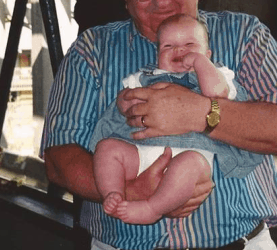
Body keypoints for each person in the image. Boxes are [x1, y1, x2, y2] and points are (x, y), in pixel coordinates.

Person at [41, 0, 277, 250]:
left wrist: (199, 113)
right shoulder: (92, 51)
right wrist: (129, 190)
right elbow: (58, 159)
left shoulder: (244, 36)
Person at [91, 13, 264, 225]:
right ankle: (113, 193)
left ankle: (152, 208)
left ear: (208, 54)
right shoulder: (145, 77)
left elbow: (217, 93)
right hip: (142, 152)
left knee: (188, 166)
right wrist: (125, 102)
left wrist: (201, 64)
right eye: (168, 46)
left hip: (191, 156)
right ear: (157, 55)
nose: (179, 50)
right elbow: (124, 101)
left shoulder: (217, 73)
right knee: (107, 148)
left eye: (190, 44)